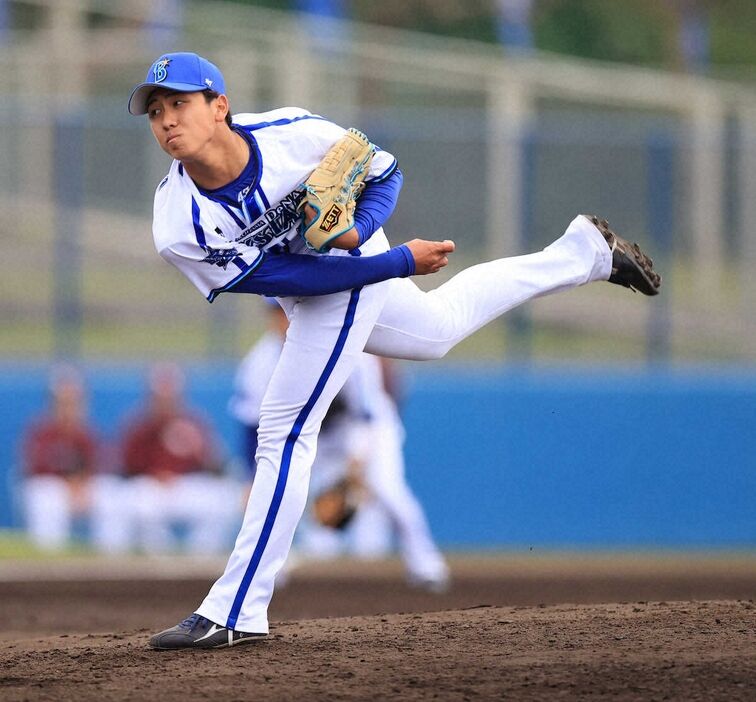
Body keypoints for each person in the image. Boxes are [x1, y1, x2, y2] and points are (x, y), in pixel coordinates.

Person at [128, 51, 660, 649]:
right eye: (155, 110)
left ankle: (237, 609)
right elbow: (286, 278)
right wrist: (398, 263)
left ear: (219, 106)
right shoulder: (178, 223)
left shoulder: (291, 134)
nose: (166, 120)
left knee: (283, 431)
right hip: (316, 282)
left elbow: (383, 172)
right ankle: (584, 253)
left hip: (353, 263)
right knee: (437, 329)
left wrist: (364, 236)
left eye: (179, 103)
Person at [229, 301, 450, 591]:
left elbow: (366, 413)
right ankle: (267, 571)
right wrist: (252, 477)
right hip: (315, 434)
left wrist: (358, 461)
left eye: (285, 310)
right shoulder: (259, 363)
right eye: (275, 313)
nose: (283, 319)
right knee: (275, 489)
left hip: (368, 428)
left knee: (388, 489)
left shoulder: (344, 345)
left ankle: (426, 563)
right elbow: (251, 424)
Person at [115, 363, 239, 555]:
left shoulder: (193, 424)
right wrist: (155, 475)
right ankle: (158, 561)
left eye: (170, 395)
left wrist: (199, 450)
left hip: (186, 486)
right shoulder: (139, 427)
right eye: (160, 396)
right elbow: (126, 470)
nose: (165, 402)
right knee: (141, 504)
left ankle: (201, 560)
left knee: (219, 502)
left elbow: (217, 467)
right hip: (152, 488)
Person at [20, 366, 100, 549]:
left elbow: (99, 466)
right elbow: (36, 469)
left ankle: (111, 557)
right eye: (63, 402)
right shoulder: (41, 433)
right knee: (47, 497)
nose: (68, 408)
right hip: (51, 488)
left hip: (81, 489)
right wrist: (69, 485)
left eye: (73, 402)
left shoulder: (86, 433)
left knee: (110, 495)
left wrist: (81, 485)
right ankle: (49, 557)